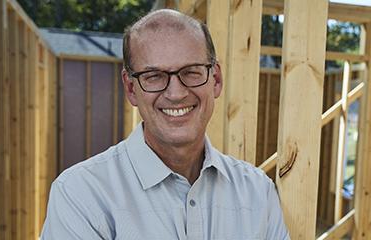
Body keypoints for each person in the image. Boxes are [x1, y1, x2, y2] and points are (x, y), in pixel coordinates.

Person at [41, 9, 290, 240]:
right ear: (130, 88)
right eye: (154, 76)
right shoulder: (81, 195)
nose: (176, 93)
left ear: (215, 79)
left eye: (191, 71)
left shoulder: (259, 192)